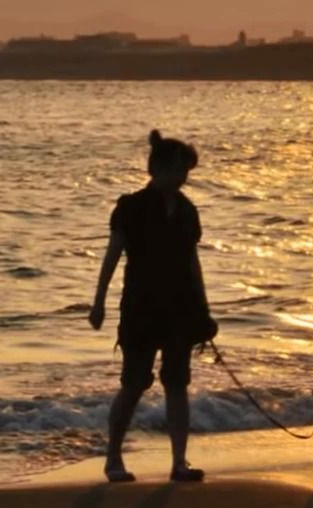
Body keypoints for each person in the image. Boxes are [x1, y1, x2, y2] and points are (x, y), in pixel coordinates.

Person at [89, 130, 217, 483]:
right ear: (158, 169)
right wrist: (98, 302)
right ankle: (113, 459)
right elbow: (112, 256)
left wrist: (204, 312)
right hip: (140, 309)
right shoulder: (130, 207)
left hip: (181, 310)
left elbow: (193, 263)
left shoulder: (188, 211)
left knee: (177, 384)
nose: (184, 178)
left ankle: (179, 462)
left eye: (186, 172)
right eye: (179, 170)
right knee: (134, 383)